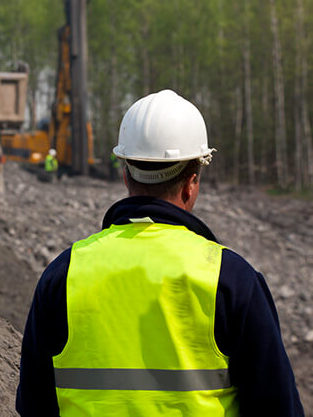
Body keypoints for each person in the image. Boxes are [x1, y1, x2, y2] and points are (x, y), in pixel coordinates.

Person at [17, 89, 303, 416]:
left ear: (126, 175)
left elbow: (33, 405)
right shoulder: (232, 280)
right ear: (191, 184)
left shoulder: (63, 275)